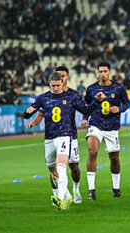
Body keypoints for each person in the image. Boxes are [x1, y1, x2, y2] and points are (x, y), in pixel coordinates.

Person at [23, 71, 105, 210]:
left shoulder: (72, 97)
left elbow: (87, 109)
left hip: (65, 135)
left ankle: (60, 199)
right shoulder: (43, 98)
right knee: (52, 170)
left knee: (61, 166)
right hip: (49, 138)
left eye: (58, 85)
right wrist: (28, 113)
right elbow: (27, 114)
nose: (56, 88)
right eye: (53, 85)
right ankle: (67, 196)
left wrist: (97, 100)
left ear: (63, 84)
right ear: (49, 84)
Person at [26, 66, 84, 204]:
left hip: (69, 136)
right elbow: (40, 112)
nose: (59, 83)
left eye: (62, 76)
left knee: (74, 167)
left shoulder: (73, 95)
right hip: (51, 136)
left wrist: (88, 115)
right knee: (53, 167)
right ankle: (61, 196)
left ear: (66, 78)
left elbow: (85, 108)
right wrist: (32, 121)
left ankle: (75, 190)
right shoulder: (46, 98)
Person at [81, 62, 130, 200]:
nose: (103, 74)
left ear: (110, 72)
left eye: (105, 71)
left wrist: (119, 109)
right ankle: (91, 190)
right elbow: (86, 106)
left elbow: (127, 103)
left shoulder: (118, 87)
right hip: (95, 125)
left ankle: (116, 187)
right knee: (93, 151)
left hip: (112, 128)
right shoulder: (91, 89)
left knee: (114, 158)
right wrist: (85, 118)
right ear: (97, 73)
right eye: (100, 71)